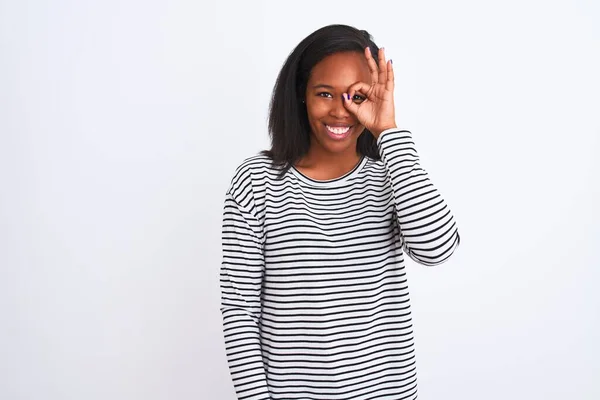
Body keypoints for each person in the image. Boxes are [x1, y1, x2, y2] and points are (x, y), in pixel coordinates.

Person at [220, 24, 461, 400]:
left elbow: (437, 249)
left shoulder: (391, 176)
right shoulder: (257, 181)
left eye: (357, 96)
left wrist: (388, 132)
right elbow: (239, 311)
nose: (341, 110)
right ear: (301, 95)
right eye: (324, 94)